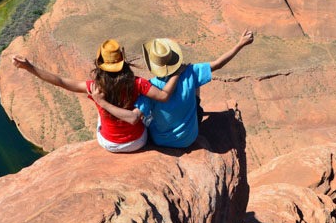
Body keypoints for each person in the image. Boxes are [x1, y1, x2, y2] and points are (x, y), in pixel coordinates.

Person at [11, 38, 180, 153]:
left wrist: (29, 67)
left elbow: (60, 81)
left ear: (100, 65)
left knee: (100, 118)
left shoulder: (95, 88)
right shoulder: (137, 83)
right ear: (123, 62)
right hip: (138, 141)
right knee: (146, 107)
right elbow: (164, 96)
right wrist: (176, 73)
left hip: (110, 144)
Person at [92, 30, 254, 148]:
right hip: (190, 137)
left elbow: (135, 117)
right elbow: (218, 63)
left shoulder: (150, 88)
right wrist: (240, 44)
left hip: (161, 140)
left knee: (146, 117)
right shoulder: (190, 71)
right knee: (195, 84)